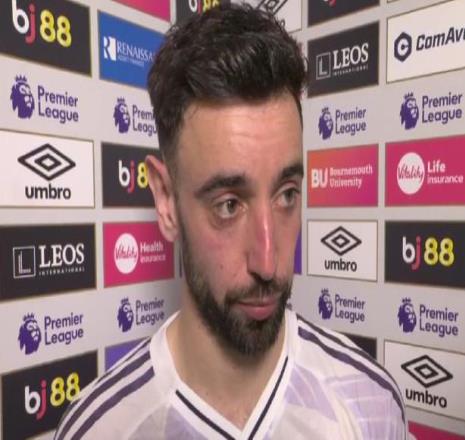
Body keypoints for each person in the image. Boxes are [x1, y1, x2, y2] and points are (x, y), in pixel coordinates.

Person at [55, 4, 407, 439]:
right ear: (166, 201)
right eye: (228, 205)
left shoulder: (371, 406)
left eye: (286, 195)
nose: (268, 262)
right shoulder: (99, 430)